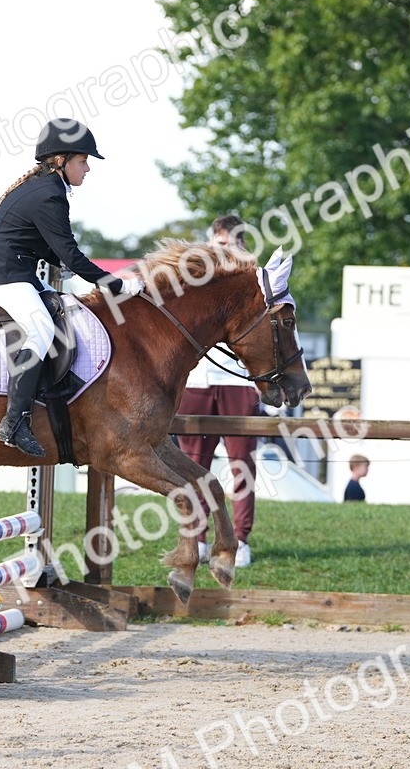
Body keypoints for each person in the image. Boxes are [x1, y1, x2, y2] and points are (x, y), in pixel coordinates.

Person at [0, 118, 144, 457]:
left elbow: (50, 249)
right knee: (42, 329)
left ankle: (56, 392)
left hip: (18, 270)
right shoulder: (49, 194)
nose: (88, 168)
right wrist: (117, 285)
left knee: (67, 312)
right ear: (61, 160)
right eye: (82, 160)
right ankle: (14, 422)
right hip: (5, 274)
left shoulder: (47, 187)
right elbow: (70, 255)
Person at [175, 215, 261, 569]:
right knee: (194, 466)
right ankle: (197, 536)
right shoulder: (196, 275)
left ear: (241, 245)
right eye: (215, 242)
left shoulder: (252, 277)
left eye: (226, 244)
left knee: (242, 464)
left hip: (237, 383)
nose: (219, 249)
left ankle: (241, 539)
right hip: (197, 382)